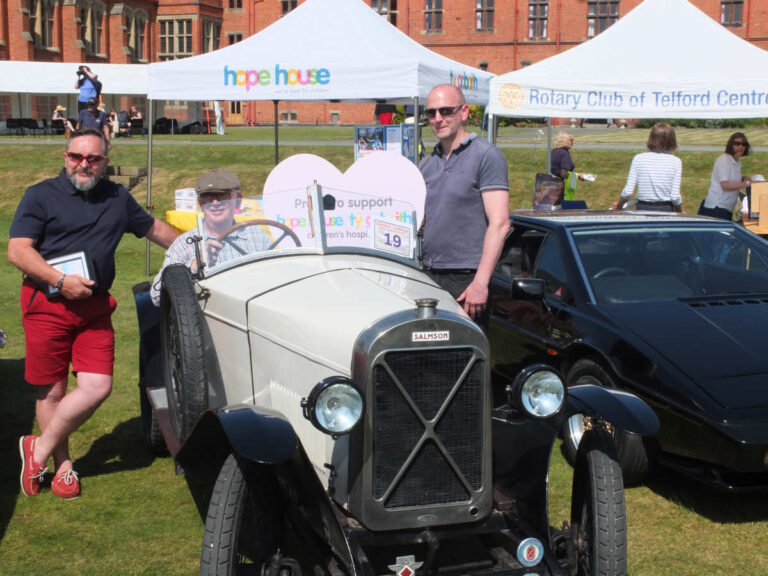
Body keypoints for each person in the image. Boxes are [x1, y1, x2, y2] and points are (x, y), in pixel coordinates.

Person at [8, 128, 177, 499]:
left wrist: (200, 246)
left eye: (93, 158)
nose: (83, 164)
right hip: (47, 304)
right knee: (52, 391)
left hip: (95, 308)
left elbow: (156, 230)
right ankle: (63, 465)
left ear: (106, 160)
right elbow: (18, 251)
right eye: (76, 156)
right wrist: (59, 279)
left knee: (97, 386)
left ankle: (36, 449)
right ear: (65, 156)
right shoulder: (40, 196)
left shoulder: (117, 197)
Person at [419, 84, 510, 329]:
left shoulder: (486, 156)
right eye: (431, 113)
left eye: (446, 111)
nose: (438, 119)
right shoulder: (426, 165)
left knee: (463, 362)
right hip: (429, 275)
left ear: (464, 112)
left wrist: (481, 282)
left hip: (466, 280)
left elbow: (500, 224)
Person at [149, 169, 271, 306]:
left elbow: (275, 279)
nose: (214, 202)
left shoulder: (257, 236)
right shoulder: (184, 244)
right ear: (200, 203)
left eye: (222, 196)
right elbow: (156, 297)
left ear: (238, 201)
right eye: (207, 197)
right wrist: (194, 267)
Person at [614, 122, 682, 212]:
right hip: (665, 209)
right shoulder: (676, 162)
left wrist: (619, 206)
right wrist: (680, 211)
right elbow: (675, 196)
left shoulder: (638, 158)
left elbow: (628, 192)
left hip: (643, 207)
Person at [698, 132, 753, 220]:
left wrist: (743, 178)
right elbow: (725, 185)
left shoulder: (737, 161)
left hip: (726, 208)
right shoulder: (724, 160)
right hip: (717, 207)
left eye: (743, 144)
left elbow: (732, 177)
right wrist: (747, 183)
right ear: (731, 144)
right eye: (737, 144)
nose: (740, 147)